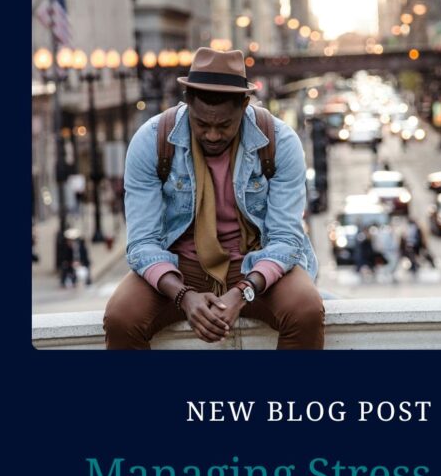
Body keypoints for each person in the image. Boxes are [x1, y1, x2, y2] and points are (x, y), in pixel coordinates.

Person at [103, 48, 324, 350]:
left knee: (306, 310)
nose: (212, 135)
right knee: (121, 317)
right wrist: (183, 295)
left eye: (224, 126)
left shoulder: (279, 142)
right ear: (187, 101)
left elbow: (286, 240)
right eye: (202, 124)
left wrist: (242, 292)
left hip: (255, 264)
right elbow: (142, 243)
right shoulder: (151, 140)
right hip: (179, 266)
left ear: (244, 105)